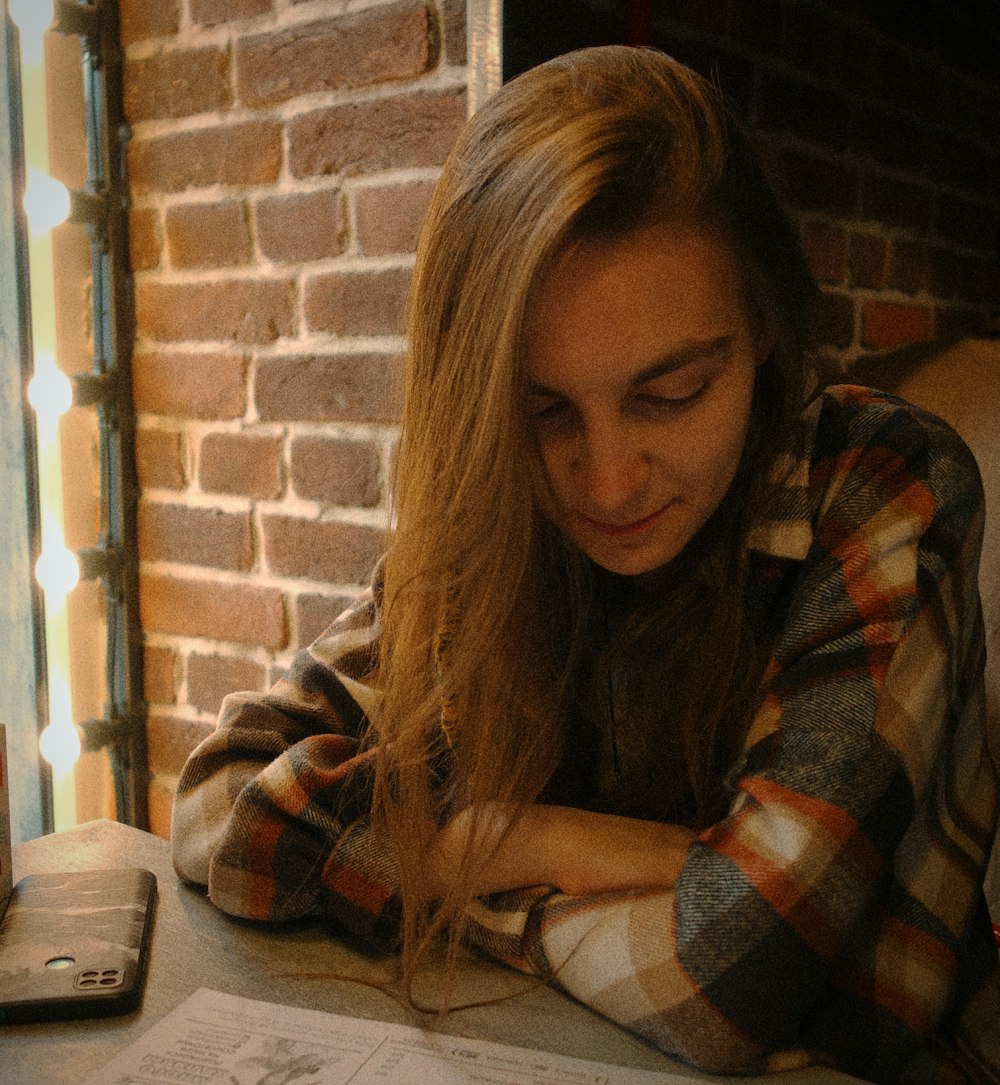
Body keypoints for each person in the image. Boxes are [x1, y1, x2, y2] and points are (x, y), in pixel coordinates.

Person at [171, 46, 1000, 1084]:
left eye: (673, 393)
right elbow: (218, 803)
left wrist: (447, 862)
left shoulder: (882, 481)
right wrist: (549, 843)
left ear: (766, 339)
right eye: (541, 409)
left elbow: (731, 980)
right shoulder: (499, 513)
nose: (605, 484)